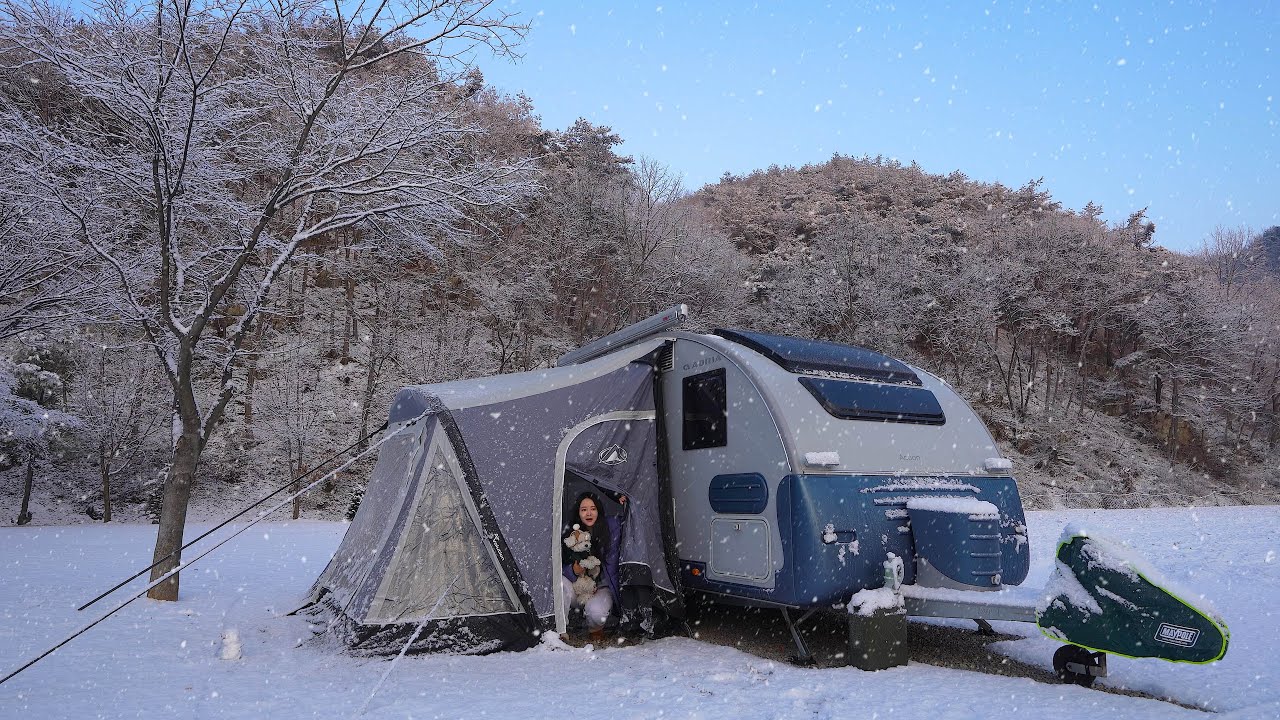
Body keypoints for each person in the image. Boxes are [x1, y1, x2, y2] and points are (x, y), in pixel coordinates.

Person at [561, 491, 622, 642]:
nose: (588, 513)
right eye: (584, 509)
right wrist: (573, 571)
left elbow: (632, 519)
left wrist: (622, 499)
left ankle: (595, 630)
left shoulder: (610, 528)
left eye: (593, 508)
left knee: (597, 614)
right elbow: (557, 565)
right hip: (577, 586)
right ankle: (560, 630)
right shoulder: (570, 533)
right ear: (578, 513)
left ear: (598, 511)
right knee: (559, 584)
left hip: (601, 587)